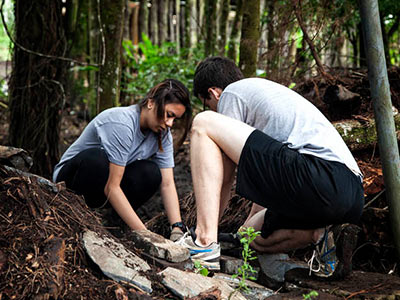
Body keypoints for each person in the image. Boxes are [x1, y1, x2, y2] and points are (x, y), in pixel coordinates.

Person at [176, 56, 364, 276]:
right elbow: (269, 177)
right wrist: (241, 234)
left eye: (209, 104)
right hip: (350, 196)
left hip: (320, 175)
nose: (215, 109)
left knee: (203, 123)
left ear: (214, 93)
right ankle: (323, 236)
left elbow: (224, 176)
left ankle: (203, 243)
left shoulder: (232, 93)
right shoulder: (265, 97)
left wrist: (208, 232)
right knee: (250, 235)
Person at [53, 79, 191, 241]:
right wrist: (146, 235)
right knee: (98, 160)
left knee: (151, 172)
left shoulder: (163, 135)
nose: (170, 123)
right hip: (72, 180)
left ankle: (113, 222)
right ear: (151, 103)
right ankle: (80, 216)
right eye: (169, 115)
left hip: (105, 187)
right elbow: (112, 187)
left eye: (175, 119)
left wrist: (177, 227)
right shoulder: (122, 123)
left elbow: (167, 183)